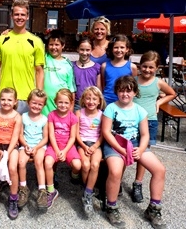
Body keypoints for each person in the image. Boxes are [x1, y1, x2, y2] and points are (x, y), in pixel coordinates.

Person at [102, 75, 166, 229]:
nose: (125, 94)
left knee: (159, 170)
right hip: (115, 144)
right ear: (117, 91)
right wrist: (121, 150)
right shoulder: (111, 108)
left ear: (135, 93)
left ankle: (153, 209)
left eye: (129, 91)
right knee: (116, 171)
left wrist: (142, 149)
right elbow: (106, 132)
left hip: (136, 144)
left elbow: (145, 135)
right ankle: (111, 207)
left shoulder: (140, 110)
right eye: (122, 91)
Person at [131, 51, 175, 204]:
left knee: (143, 154)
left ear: (156, 68)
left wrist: (158, 103)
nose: (147, 70)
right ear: (140, 66)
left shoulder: (158, 82)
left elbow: (171, 93)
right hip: (131, 121)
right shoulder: (134, 80)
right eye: (144, 67)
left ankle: (138, 183)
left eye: (151, 68)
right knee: (128, 151)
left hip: (149, 121)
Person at [0, 0, 45, 114]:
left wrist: (38, 98)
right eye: (16, 14)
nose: (19, 17)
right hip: (4, 97)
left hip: (27, 98)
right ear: (11, 16)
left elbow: (39, 72)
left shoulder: (36, 41)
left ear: (28, 16)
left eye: (23, 15)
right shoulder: (0, 40)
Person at [0, 87, 22, 219]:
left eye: (9, 100)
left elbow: (15, 136)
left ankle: (13, 198)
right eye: (3, 99)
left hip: (12, 147)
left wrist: (8, 152)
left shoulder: (17, 116)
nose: (6, 102)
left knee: (13, 168)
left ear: (15, 101)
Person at [44, 88, 81, 208]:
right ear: (55, 102)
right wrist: (57, 150)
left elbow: (72, 137)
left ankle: (74, 175)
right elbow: (51, 135)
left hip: (68, 147)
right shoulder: (51, 115)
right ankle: (51, 190)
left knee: (77, 165)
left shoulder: (73, 117)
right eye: (60, 102)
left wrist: (64, 151)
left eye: (66, 103)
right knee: (48, 162)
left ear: (71, 103)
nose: (63, 105)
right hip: (54, 145)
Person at [75, 86, 105, 216]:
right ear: (83, 100)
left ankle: (87, 193)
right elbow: (76, 134)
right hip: (82, 144)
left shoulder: (101, 115)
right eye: (88, 98)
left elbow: (103, 134)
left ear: (99, 101)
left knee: (95, 165)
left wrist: (94, 146)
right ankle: (88, 187)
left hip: (96, 144)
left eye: (94, 99)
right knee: (85, 165)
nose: (91, 101)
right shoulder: (79, 113)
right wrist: (84, 146)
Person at [18, 89, 48, 210]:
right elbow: (20, 135)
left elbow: (45, 138)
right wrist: (25, 145)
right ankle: (23, 188)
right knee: (20, 162)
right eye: (34, 103)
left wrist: (36, 147)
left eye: (40, 104)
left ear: (43, 105)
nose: (36, 106)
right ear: (28, 102)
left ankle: (42, 190)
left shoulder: (44, 119)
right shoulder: (23, 117)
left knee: (39, 162)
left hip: (39, 145)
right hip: (25, 144)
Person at [43, 29, 76, 115]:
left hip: (61, 111)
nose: (54, 47)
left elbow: (71, 90)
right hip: (43, 110)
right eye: (51, 44)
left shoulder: (68, 64)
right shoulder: (43, 59)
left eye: (57, 45)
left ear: (63, 45)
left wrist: (70, 114)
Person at [101, 34, 138, 105]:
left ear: (127, 49)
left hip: (124, 101)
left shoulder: (132, 67)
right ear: (111, 49)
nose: (119, 50)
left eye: (122, 47)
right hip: (107, 101)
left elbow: (134, 87)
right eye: (116, 47)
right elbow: (103, 85)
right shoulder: (104, 66)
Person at [73, 38, 101, 111]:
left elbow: (99, 89)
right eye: (82, 49)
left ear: (91, 50)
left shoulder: (97, 67)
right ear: (77, 49)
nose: (84, 53)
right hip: (76, 103)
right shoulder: (72, 66)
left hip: (91, 103)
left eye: (87, 50)